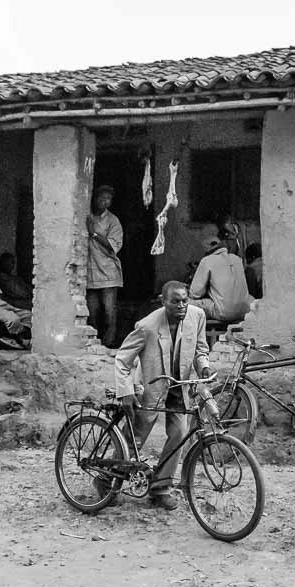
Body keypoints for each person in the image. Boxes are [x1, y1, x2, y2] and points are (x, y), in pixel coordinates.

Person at [114, 280, 211, 510]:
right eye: (175, 301)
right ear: (163, 301)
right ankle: (107, 479)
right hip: (152, 387)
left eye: (184, 301)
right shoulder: (147, 326)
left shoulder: (197, 316)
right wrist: (126, 392)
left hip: (179, 386)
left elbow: (200, 349)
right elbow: (122, 359)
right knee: (135, 437)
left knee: (179, 433)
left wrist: (204, 366)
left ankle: (160, 488)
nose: (181, 306)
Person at [86, 185, 124, 348]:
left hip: (108, 272)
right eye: (101, 199)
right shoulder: (87, 216)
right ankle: (93, 344)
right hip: (89, 273)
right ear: (94, 199)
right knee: (92, 312)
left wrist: (94, 233)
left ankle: (108, 344)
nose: (104, 202)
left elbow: (112, 245)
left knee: (109, 312)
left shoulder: (113, 221)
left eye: (108, 200)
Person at [188, 236, 251, 323]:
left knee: (188, 302)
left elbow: (195, 293)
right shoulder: (237, 259)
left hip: (223, 313)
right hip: (245, 311)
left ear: (208, 248)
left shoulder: (207, 260)